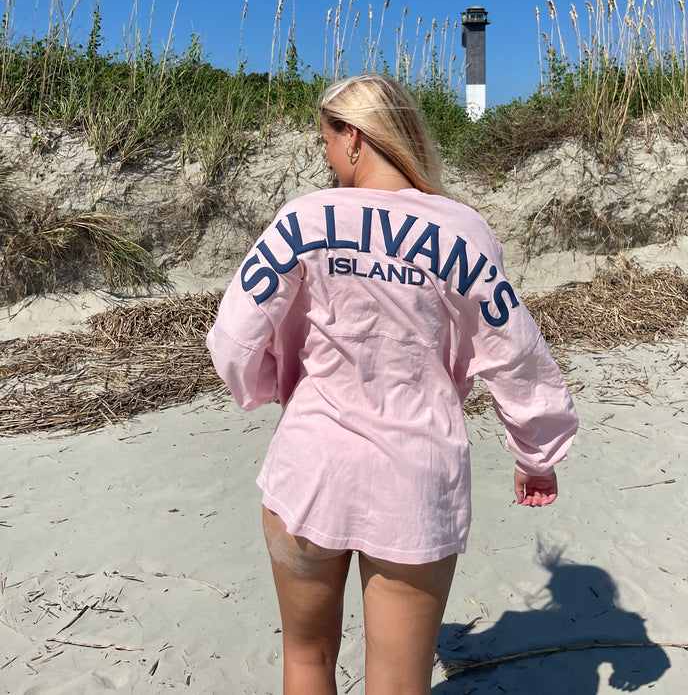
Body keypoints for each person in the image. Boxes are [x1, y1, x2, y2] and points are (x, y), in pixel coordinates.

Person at [206, 72, 578, 695]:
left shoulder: (303, 219)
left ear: (353, 136)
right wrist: (536, 455)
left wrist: (273, 385)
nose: (325, 154)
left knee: (305, 659)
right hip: (415, 476)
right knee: (401, 681)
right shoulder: (463, 230)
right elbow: (515, 353)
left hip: (310, 467)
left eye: (326, 138)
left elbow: (233, 338)